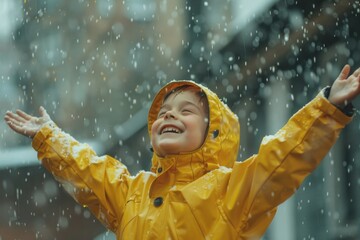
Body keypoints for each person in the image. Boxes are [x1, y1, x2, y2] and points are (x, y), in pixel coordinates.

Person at [3, 64, 360, 239]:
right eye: (163, 112)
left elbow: (283, 158)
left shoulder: (229, 190)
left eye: (186, 110)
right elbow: (88, 170)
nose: (169, 114)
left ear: (212, 131)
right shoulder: (132, 194)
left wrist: (326, 108)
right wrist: (49, 137)